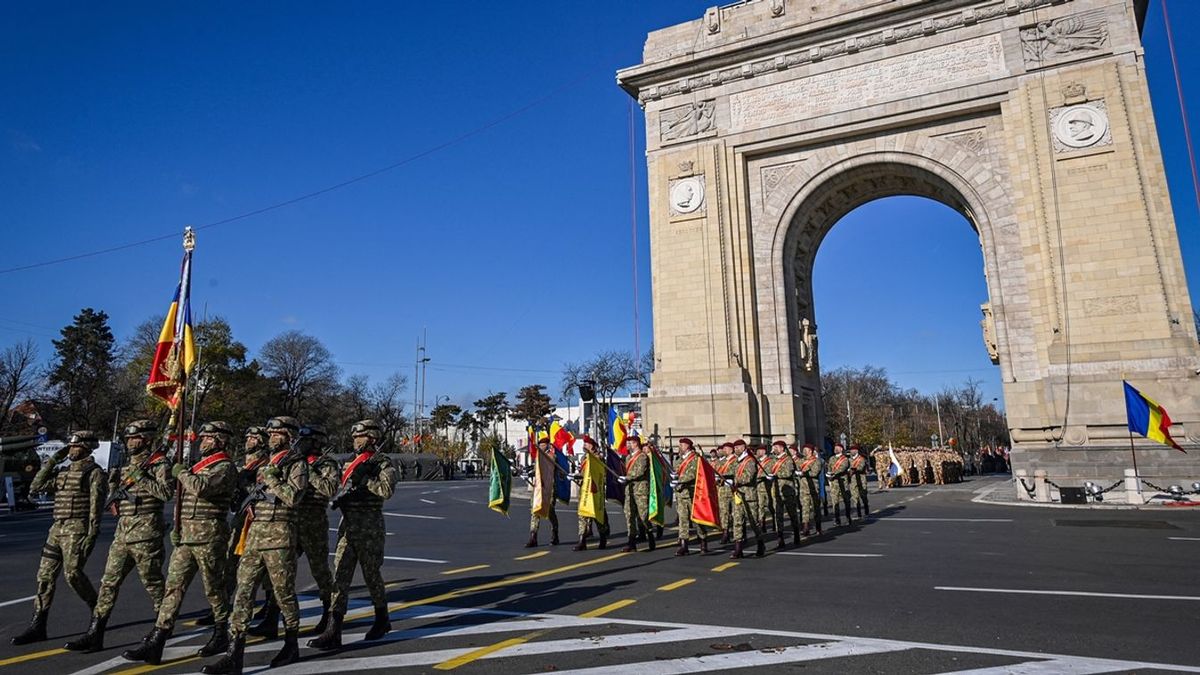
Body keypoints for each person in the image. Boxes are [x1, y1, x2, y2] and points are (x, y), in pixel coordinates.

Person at [123, 421, 237, 665]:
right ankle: (158, 638)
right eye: (203, 437)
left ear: (221, 441)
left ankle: (221, 633)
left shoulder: (225, 467)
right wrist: (178, 528)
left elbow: (201, 489)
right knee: (173, 587)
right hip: (187, 537)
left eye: (208, 438)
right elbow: (180, 500)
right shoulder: (198, 466)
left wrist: (182, 473)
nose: (202, 441)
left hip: (210, 537)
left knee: (214, 588)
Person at [201, 416, 309, 674]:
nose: (272, 436)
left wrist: (272, 479)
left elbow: (293, 497)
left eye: (278, 433)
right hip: (255, 536)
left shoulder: (297, 464)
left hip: (280, 537)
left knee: (283, 594)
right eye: (270, 432)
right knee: (243, 593)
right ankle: (234, 653)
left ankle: (291, 643)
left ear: (290, 436)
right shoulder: (267, 463)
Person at [64, 420, 171, 653]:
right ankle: (95, 632)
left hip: (146, 533)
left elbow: (165, 493)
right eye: (128, 438)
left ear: (146, 439)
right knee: (108, 583)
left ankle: (161, 630)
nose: (130, 442)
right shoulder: (125, 464)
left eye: (135, 438)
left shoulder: (159, 463)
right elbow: (114, 499)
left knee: (153, 584)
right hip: (122, 533)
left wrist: (141, 477)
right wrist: (114, 484)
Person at [308, 419, 398, 650]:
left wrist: (366, 479)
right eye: (354, 436)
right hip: (348, 526)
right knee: (340, 577)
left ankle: (382, 618)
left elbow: (386, 491)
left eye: (360, 436)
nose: (355, 440)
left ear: (372, 438)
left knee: (371, 575)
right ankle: (333, 628)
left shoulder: (383, 463)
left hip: (370, 525)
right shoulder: (350, 462)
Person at [11, 431, 105, 646]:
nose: (70, 449)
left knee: (73, 574)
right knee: (44, 576)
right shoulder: (63, 471)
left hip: (77, 529)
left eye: (75, 446)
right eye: (69, 446)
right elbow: (36, 487)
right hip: (57, 528)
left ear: (86, 448)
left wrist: (92, 533)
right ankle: (38, 625)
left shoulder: (94, 472)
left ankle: (98, 611)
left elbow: (96, 506)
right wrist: (53, 460)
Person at [293, 424, 339, 635]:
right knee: (279, 570)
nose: (300, 444)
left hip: (314, 521)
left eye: (306, 441)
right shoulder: (294, 461)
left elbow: (329, 489)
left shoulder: (326, 464)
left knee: (319, 571)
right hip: (292, 520)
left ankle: (328, 613)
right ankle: (272, 611)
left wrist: (308, 471)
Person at [727, 439, 764, 558]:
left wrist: (734, 481)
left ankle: (760, 543)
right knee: (737, 522)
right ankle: (738, 548)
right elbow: (731, 472)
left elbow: (748, 477)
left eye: (738, 447)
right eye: (735, 447)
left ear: (743, 448)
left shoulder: (750, 461)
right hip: (738, 495)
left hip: (749, 496)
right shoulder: (736, 461)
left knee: (753, 522)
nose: (735, 449)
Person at [572, 436, 609, 552]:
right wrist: (576, 477)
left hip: (595, 490)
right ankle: (581, 540)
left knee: (597, 515)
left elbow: (600, 473)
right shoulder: (584, 458)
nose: (585, 446)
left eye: (587, 444)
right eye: (584, 444)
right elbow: (583, 473)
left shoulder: (598, 458)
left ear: (592, 446)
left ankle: (603, 537)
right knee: (583, 514)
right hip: (584, 490)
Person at [670, 438, 707, 555]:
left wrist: (679, 480)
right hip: (681, 494)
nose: (680, 446)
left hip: (692, 493)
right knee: (682, 520)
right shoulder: (679, 459)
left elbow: (692, 474)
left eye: (682, 445)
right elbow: (676, 471)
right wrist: (674, 477)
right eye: (679, 444)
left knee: (697, 519)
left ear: (688, 446)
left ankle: (703, 540)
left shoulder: (695, 459)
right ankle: (684, 544)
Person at [618, 436, 653, 552]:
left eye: (630, 443)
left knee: (643, 516)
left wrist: (627, 478)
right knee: (629, 515)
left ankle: (650, 536)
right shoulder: (628, 457)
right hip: (630, 490)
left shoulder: (643, 457)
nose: (628, 445)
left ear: (636, 444)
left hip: (640, 490)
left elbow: (640, 472)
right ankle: (631, 542)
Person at [526, 433, 560, 547]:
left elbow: (549, 467)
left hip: (549, 488)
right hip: (538, 488)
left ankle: (554, 533)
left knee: (550, 511)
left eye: (543, 445)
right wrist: (529, 473)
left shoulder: (551, 456)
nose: (541, 447)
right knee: (535, 511)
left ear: (548, 445)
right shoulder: (538, 457)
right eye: (540, 445)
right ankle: (533, 536)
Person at [769, 440, 800, 549]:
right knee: (778, 515)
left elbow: (787, 473)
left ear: (782, 448)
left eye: (776, 447)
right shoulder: (773, 460)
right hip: (776, 490)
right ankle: (780, 538)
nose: (774, 449)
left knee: (792, 514)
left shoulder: (788, 460)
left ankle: (796, 533)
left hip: (787, 491)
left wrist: (775, 475)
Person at [798, 444, 823, 536]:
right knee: (805, 508)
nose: (804, 451)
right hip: (803, 488)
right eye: (803, 449)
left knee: (816, 508)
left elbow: (814, 473)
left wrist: (803, 473)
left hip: (813, 488)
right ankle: (805, 527)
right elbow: (796, 467)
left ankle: (818, 527)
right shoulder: (801, 460)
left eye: (806, 449)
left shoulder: (816, 461)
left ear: (811, 451)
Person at [826, 443, 852, 526]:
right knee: (835, 502)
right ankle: (837, 519)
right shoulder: (831, 458)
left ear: (841, 449)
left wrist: (833, 473)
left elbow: (843, 468)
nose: (835, 449)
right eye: (835, 448)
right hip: (834, 483)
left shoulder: (845, 459)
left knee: (846, 500)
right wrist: (829, 475)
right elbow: (829, 468)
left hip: (843, 482)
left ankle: (848, 517)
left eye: (837, 448)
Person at [715, 443, 736, 544]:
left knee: (736, 513)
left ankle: (740, 532)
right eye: (723, 449)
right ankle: (725, 533)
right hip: (723, 490)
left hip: (734, 490)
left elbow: (737, 472)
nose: (724, 451)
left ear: (731, 450)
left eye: (726, 449)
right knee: (724, 512)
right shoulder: (721, 462)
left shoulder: (736, 461)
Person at [848, 445, 870, 518]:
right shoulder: (849, 460)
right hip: (853, 480)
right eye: (850, 450)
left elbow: (860, 467)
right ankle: (858, 512)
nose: (851, 451)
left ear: (856, 451)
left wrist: (853, 469)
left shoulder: (861, 459)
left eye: (852, 450)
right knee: (855, 496)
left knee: (863, 495)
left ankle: (866, 506)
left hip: (861, 479)